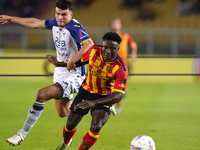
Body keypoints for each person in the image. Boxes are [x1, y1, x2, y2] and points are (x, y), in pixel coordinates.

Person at [0, 0, 94, 146]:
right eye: (58, 14)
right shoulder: (55, 23)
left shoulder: (74, 26)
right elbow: (35, 23)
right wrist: (11, 18)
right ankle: (94, 103)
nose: (60, 17)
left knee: (41, 95)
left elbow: (89, 44)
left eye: (64, 14)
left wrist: (73, 60)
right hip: (60, 74)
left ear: (71, 14)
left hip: (74, 75)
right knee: (63, 113)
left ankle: (21, 134)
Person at [55, 31, 128, 150]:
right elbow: (79, 62)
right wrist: (59, 63)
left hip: (104, 97)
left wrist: (94, 103)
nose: (108, 51)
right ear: (102, 44)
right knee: (70, 124)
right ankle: (66, 143)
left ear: (118, 48)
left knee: (96, 126)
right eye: (105, 47)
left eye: (112, 49)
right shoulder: (94, 50)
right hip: (86, 91)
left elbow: (118, 96)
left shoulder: (120, 68)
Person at [109, 18, 137, 112]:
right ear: (111, 25)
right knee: (114, 85)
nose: (116, 25)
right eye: (114, 23)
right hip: (112, 65)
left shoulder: (126, 36)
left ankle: (117, 102)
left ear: (120, 25)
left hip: (124, 65)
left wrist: (133, 53)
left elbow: (133, 45)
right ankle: (117, 105)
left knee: (118, 85)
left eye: (117, 23)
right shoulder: (109, 37)